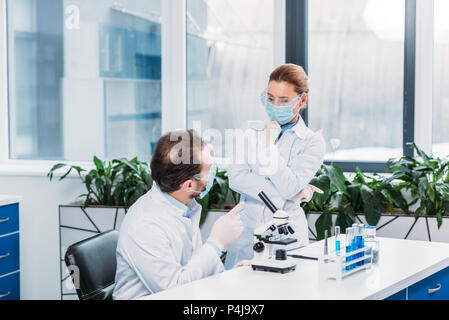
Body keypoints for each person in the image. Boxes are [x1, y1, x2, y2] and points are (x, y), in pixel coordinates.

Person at [113, 130, 247, 300]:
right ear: (189, 184)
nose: (213, 173)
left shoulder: (185, 207)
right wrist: (216, 243)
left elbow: (195, 273)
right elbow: (174, 291)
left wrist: (233, 275)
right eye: (209, 170)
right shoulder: (145, 224)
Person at [224, 64, 326, 270]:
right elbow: (236, 178)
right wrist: (297, 192)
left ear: (302, 100)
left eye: (284, 100)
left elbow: (289, 187)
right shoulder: (249, 131)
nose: (275, 105)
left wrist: (269, 147)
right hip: (247, 232)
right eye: (270, 98)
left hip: (288, 236)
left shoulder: (312, 142)